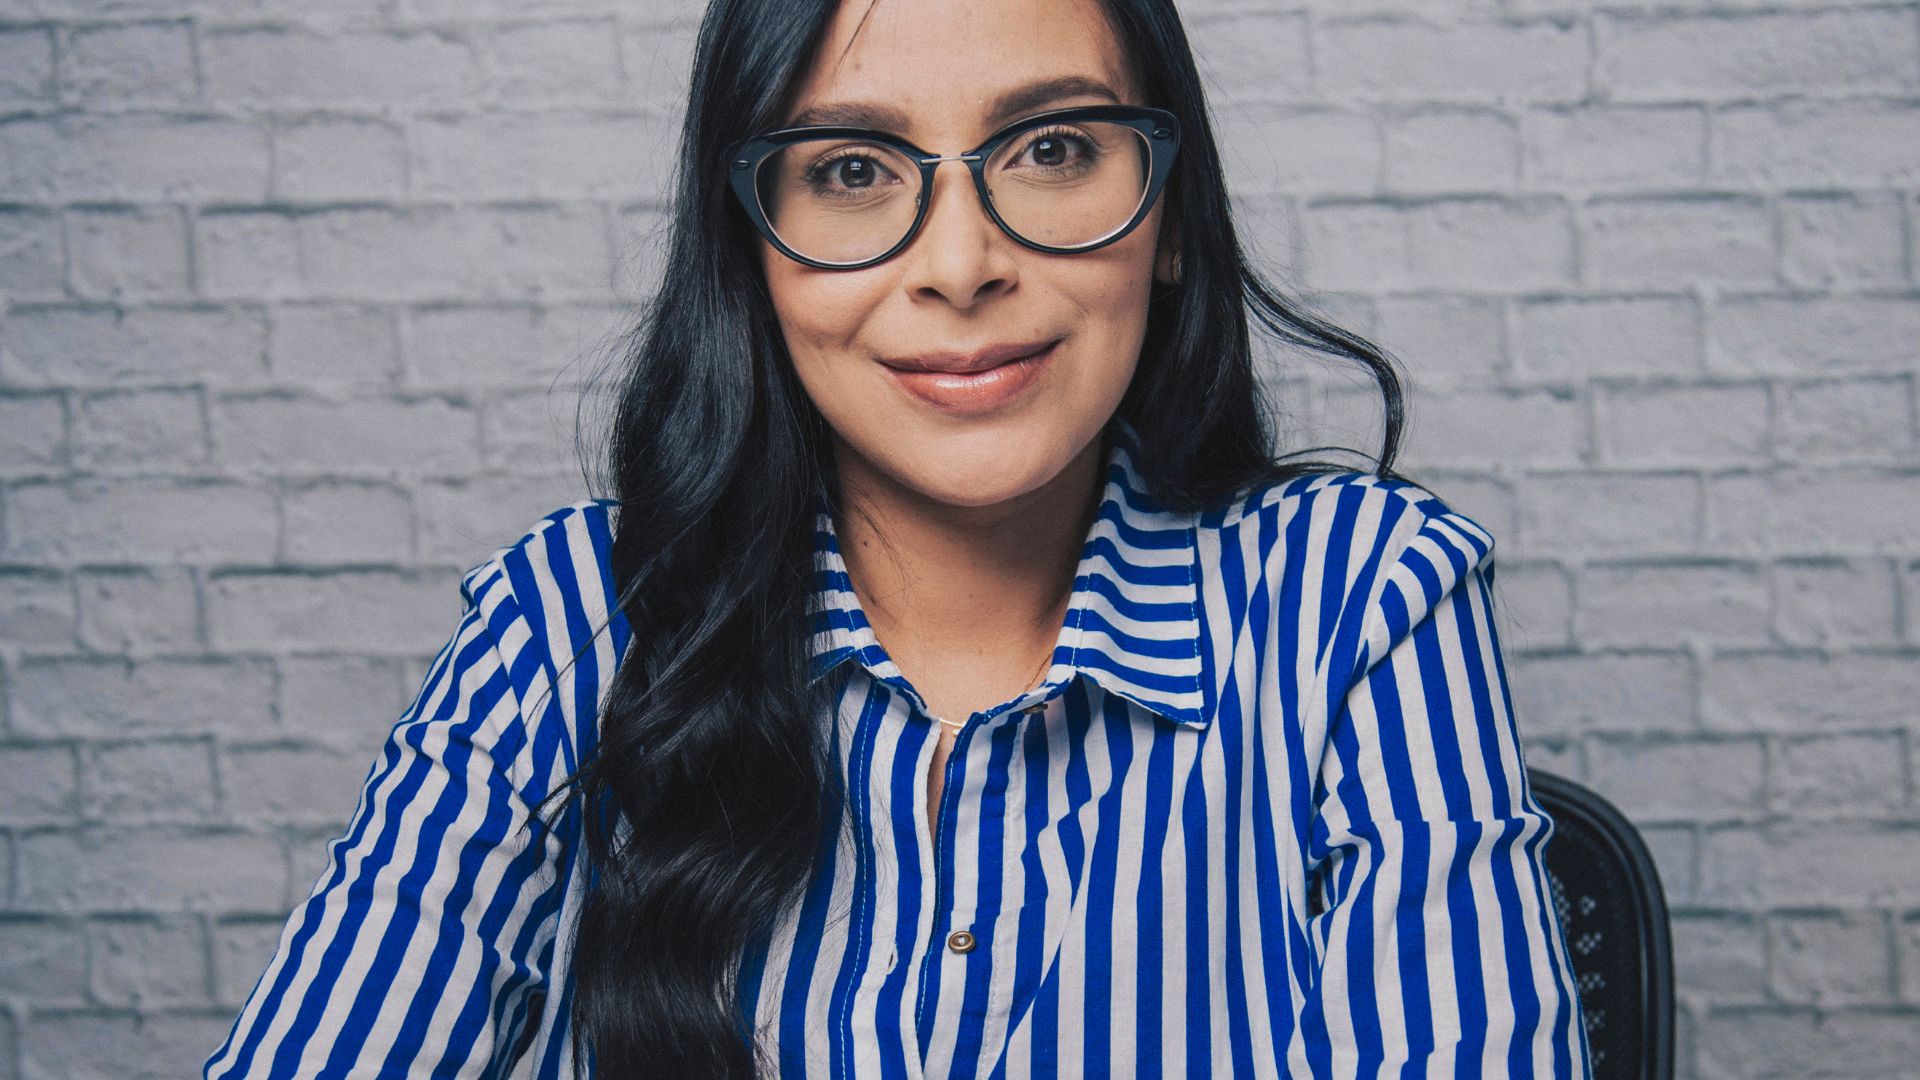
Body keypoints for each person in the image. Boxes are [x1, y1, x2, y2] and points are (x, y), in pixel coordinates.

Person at [204, 0, 1591, 1076]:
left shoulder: (1359, 595)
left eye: (1054, 150)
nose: (958, 261)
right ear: (753, 249)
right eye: (853, 170)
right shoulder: (574, 615)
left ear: (1167, 215)